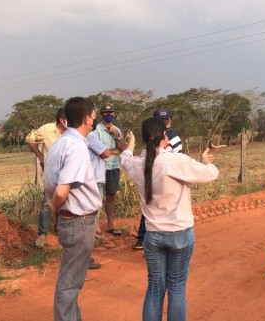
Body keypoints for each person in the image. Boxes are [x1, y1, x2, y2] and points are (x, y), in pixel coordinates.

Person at [120, 117, 218, 321]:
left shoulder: (137, 163)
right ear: (164, 137)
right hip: (180, 233)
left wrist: (129, 145)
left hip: (153, 235)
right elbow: (210, 174)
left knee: (155, 288)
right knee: (176, 289)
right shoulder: (175, 160)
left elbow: (125, 159)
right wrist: (206, 159)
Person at [44, 97, 102, 321]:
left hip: (74, 219)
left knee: (72, 281)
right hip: (78, 220)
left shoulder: (62, 142)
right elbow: (61, 191)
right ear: (87, 118)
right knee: (70, 284)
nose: (94, 120)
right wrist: (54, 210)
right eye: (94, 116)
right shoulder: (76, 147)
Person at [133, 107, 183, 250]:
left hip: (156, 175)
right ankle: (147, 238)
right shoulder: (171, 137)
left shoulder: (166, 137)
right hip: (164, 176)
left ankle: (144, 238)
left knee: (151, 205)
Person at [26, 107, 67, 248]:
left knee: (64, 201)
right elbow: (30, 138)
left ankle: (60, 229)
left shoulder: (71, 132)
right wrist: (40, 155)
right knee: (47, 202)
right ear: (62, 120)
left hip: (67, 172)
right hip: (51, 172)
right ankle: (42, 233)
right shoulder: (46, 130)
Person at [92, 104, 125, 236]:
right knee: (97, 197)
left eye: (111, 112)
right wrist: (114, 151)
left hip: (114, 167)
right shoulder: (97, 130)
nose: (109, 115)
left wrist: (116, 135)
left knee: (111, 195)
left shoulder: (116, 130)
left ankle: (111, 224)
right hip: (100, 167)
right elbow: (100, 151)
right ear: (102, 115)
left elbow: (122, 148)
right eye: (106, 113)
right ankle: (96, 226)